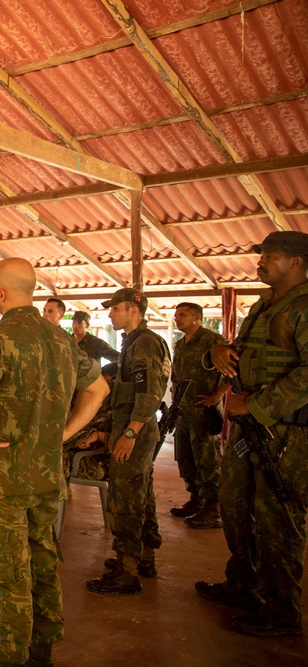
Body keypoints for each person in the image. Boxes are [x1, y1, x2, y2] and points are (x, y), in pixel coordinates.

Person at [0, 258, 108, 667]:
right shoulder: (63, 340)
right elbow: (98, 389)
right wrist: (62, 434)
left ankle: (11, 657)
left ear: (2, 293)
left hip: (3, 480)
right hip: (46, 474)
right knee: (42, 559)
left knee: (7, 574)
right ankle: (42, 650)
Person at [196, 231, 308, 638]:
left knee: (278, 516)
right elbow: (239, 352)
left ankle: (281, 609)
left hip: (288, 432)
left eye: (270, 257)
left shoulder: (305, 306)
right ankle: (243, 585)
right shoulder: (264, 306)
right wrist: (218, 352)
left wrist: (258, 406)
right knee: (235, 505)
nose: (260, 263)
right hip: (251, 427)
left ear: (296, 261)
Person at [86, 288, 170, 595]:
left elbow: (149, 393)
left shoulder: (145, 343)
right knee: (141, 494)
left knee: (124, 498)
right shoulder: (136, 342)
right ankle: (144, 557)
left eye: (116, 309)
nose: (110, 314)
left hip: (136, 430)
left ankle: (128, 569)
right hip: (134, 428)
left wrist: (130, 433)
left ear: (134, 310)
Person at [169, 302, 227, 528]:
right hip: (183, 412)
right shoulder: (180, 344)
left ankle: (214, 509)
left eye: (182, 315)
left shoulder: (213, 341)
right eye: (176, 315)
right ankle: (196, 499)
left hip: (204, 413)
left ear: (197, 318)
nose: (177, 318)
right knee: (186, 458)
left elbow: (234, 369)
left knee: (208, 460)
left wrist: (217, 396)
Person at [62, 362, 117, 481]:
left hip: (98, 461)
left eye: (106, 380)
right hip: (86, 453)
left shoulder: (119, 412)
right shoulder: (105, 408)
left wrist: (98, 435)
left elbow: (119, 444)